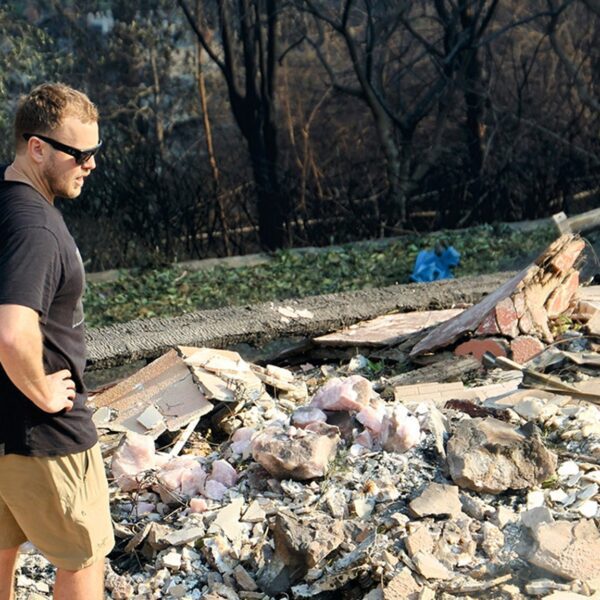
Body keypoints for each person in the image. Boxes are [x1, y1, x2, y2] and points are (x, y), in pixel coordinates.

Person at [0, 83, 113, 600]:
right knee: (84, 559)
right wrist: (44, 393)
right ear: (37, 147)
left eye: (95, 152)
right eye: (80, 153)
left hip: (5, 432)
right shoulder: (37, 230)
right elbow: (12, 330)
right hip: (44, 432)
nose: (90, 164)